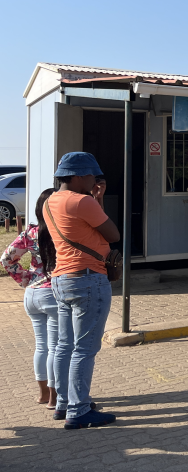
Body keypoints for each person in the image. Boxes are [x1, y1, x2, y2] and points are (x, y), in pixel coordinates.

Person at [45, 152, 119, 429]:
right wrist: (98, 199)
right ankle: (79, 409)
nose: (94, 182)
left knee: (64, 345)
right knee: (85, 349)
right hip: (88, 278)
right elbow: (113, 234)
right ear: (77, 176)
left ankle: (63, 403)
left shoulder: (51, 200)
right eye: (91, 176)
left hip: (62, 278)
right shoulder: (82, 201)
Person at [1, 188, 58, 410]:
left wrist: (24, 279)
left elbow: (6, 259)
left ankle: (42, 394)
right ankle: (55, 397)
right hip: (53, 293)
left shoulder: (30, 233)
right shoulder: (62, 232)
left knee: (41, 346)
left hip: (32, 294)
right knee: (56, 347)